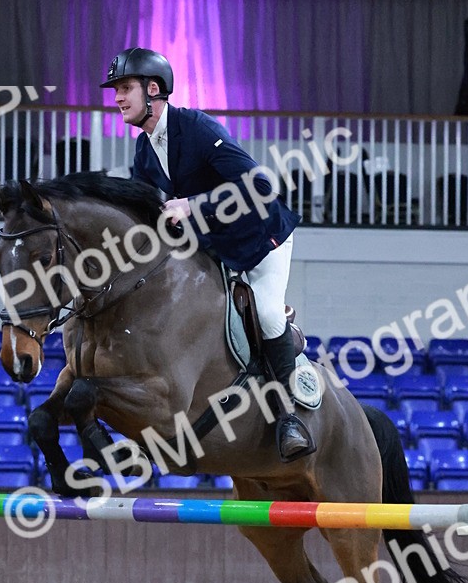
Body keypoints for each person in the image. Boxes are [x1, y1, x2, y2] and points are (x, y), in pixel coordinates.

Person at [100, 47, 315, 461]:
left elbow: (259, 185)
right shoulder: (145, 153)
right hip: (215, 248)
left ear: (153, 89)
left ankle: (290, 416)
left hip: (260, 242)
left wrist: (193, 206)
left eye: (125, 88)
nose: (118, 98)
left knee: (267, 314)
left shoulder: (196, 128)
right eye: (116, 90)